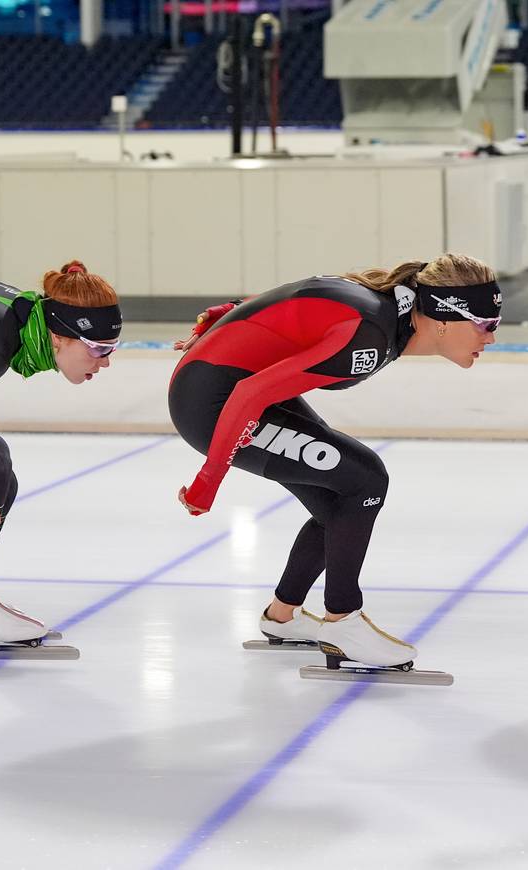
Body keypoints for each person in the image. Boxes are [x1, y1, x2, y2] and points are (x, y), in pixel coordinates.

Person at [169, 254, 501, 670]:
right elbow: (248, 395)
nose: (490, 338)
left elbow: (301, 300)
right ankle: (343, 622)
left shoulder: (390, 311)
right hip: (214, 406)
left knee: (338, 504)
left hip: (226, 386)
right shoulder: (371, 336)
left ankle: (283, 616)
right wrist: (209, 479)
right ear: (442, 319)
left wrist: (228, 315)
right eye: (486, 324)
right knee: (365, 480)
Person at [0, 262, 121, 649]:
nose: (106, 361)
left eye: (112, 348)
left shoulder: (21, 311)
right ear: (60, 337)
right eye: (99, 348)